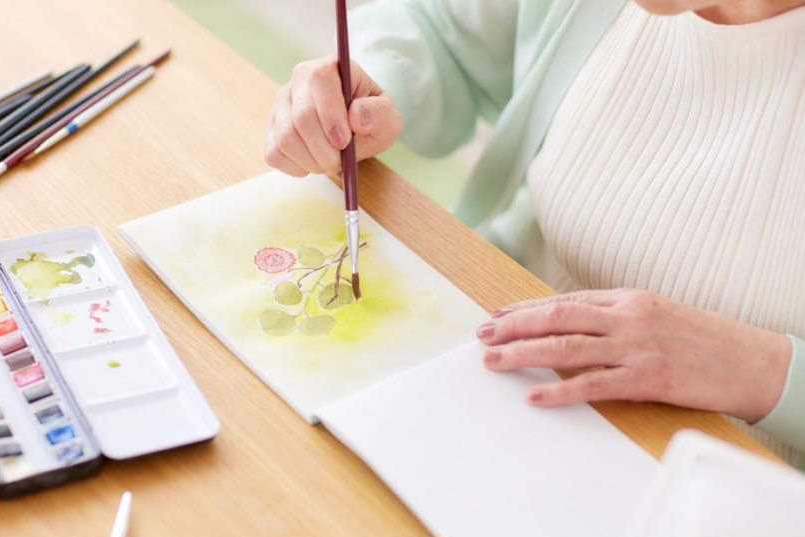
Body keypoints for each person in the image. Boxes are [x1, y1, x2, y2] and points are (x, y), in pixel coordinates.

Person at [264, 0, 805, 462]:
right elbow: (438, 29)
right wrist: (361, 88)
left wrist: (761, 370)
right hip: (499, 383)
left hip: (736, 493)